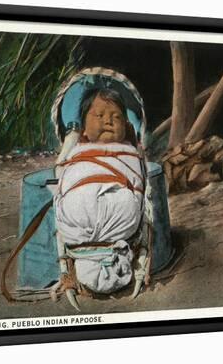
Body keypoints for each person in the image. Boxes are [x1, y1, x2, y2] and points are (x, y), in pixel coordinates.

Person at [54, 88, 146, 295]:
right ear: (83, 130)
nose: (109, 121)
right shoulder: (78, 152)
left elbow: (137, 184)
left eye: (117, 117)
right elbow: (68, 177)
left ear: (126, 126)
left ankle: (96, 247)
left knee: (127, 202)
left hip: (119, 215)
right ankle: (95, 246)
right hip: (80, 209)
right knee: (74, 196)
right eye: (99, 115)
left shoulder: (128, 152)